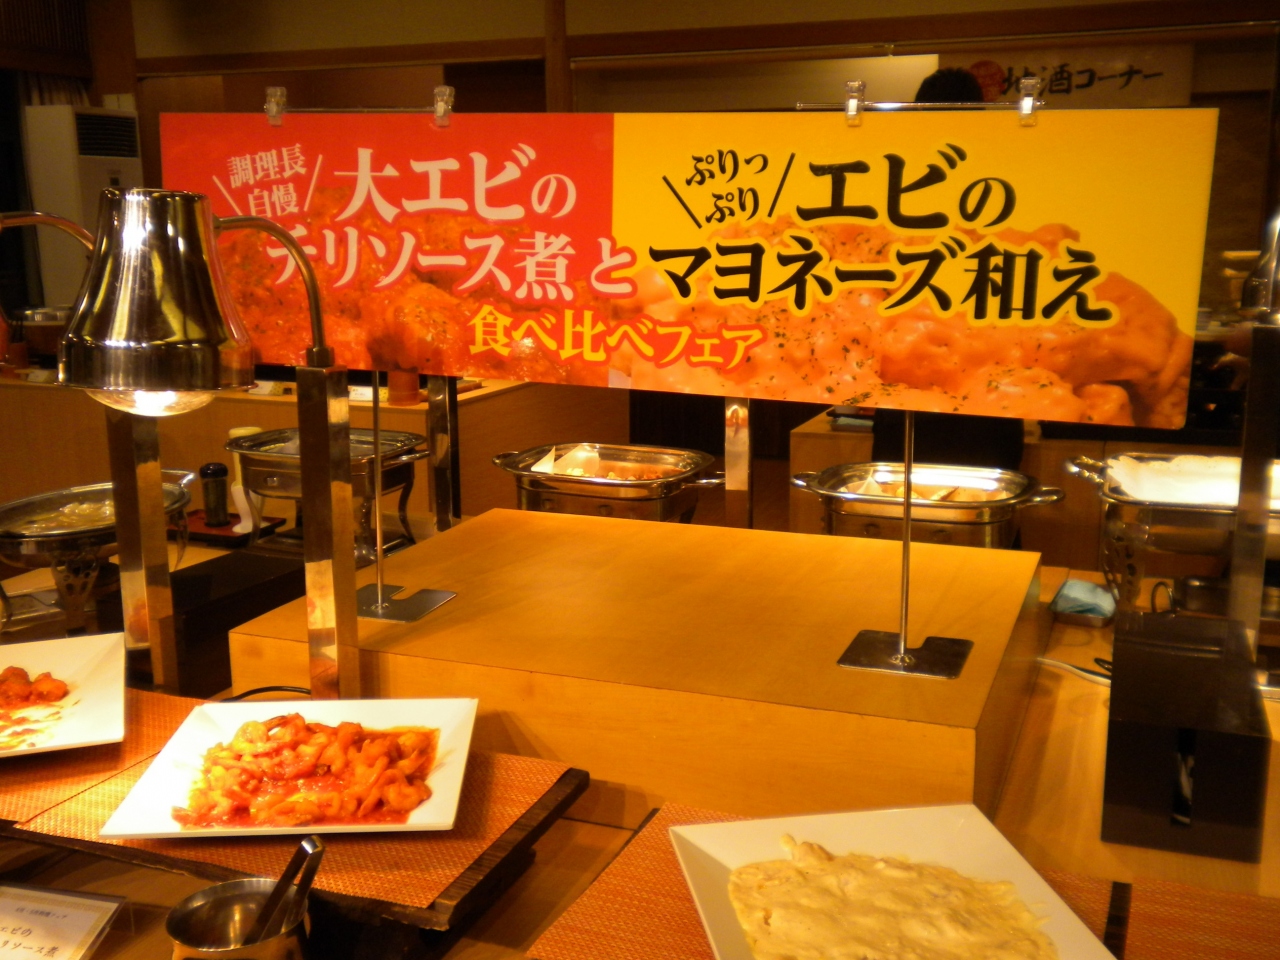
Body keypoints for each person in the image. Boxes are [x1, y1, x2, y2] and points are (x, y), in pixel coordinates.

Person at [869, 67, 1026, 472]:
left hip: (918, 383)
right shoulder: (1007, 179)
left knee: (899, 490)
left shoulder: (895, 181)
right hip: (983, 384)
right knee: (985, 493)